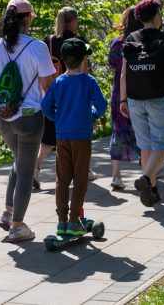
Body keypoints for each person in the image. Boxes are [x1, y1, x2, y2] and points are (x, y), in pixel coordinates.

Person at [0, 0, 57, 243]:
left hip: (4, 117)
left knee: (18, 162)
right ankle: (17, 226)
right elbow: (48, 85)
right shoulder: (37, 47)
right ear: (27, 19)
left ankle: (7, 212)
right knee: (26, 170)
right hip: (29, 119)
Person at [120, 0, 164, 207]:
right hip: (159, 96)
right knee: (163, 143)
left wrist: (123, 100)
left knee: (145, 143)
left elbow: (123, 74)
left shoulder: (131, 37)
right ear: (156, 15)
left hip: (134, 98)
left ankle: (153, 189)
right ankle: (147, 178)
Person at [41, 38, 108, 237]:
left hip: (62, 136)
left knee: (62, 180)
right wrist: (92, 115)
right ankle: (73, 222)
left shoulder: (59, 82)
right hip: (82, 137)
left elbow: (46, 107)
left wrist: (58, 118)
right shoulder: (88, 81)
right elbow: (102, 106)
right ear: (83, 59)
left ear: (63, 60)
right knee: (80, 180)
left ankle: (61, 221)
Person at [38, 7, 90, 189]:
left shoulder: (49, 41)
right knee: (78, 133)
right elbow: (84, 69)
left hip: (53, 91)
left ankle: (35, 168)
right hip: (74, 93)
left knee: (50, 136)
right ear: (73, 21)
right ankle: (82, 170)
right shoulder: (80, 42)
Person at [108, 6, 141, 191]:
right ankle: (147, 172)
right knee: (142, 130)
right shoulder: (141, 42)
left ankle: (116, 175)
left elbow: (112, 65)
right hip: (138, 91)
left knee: (118, 131)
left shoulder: (117, 42)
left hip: (118, 93)